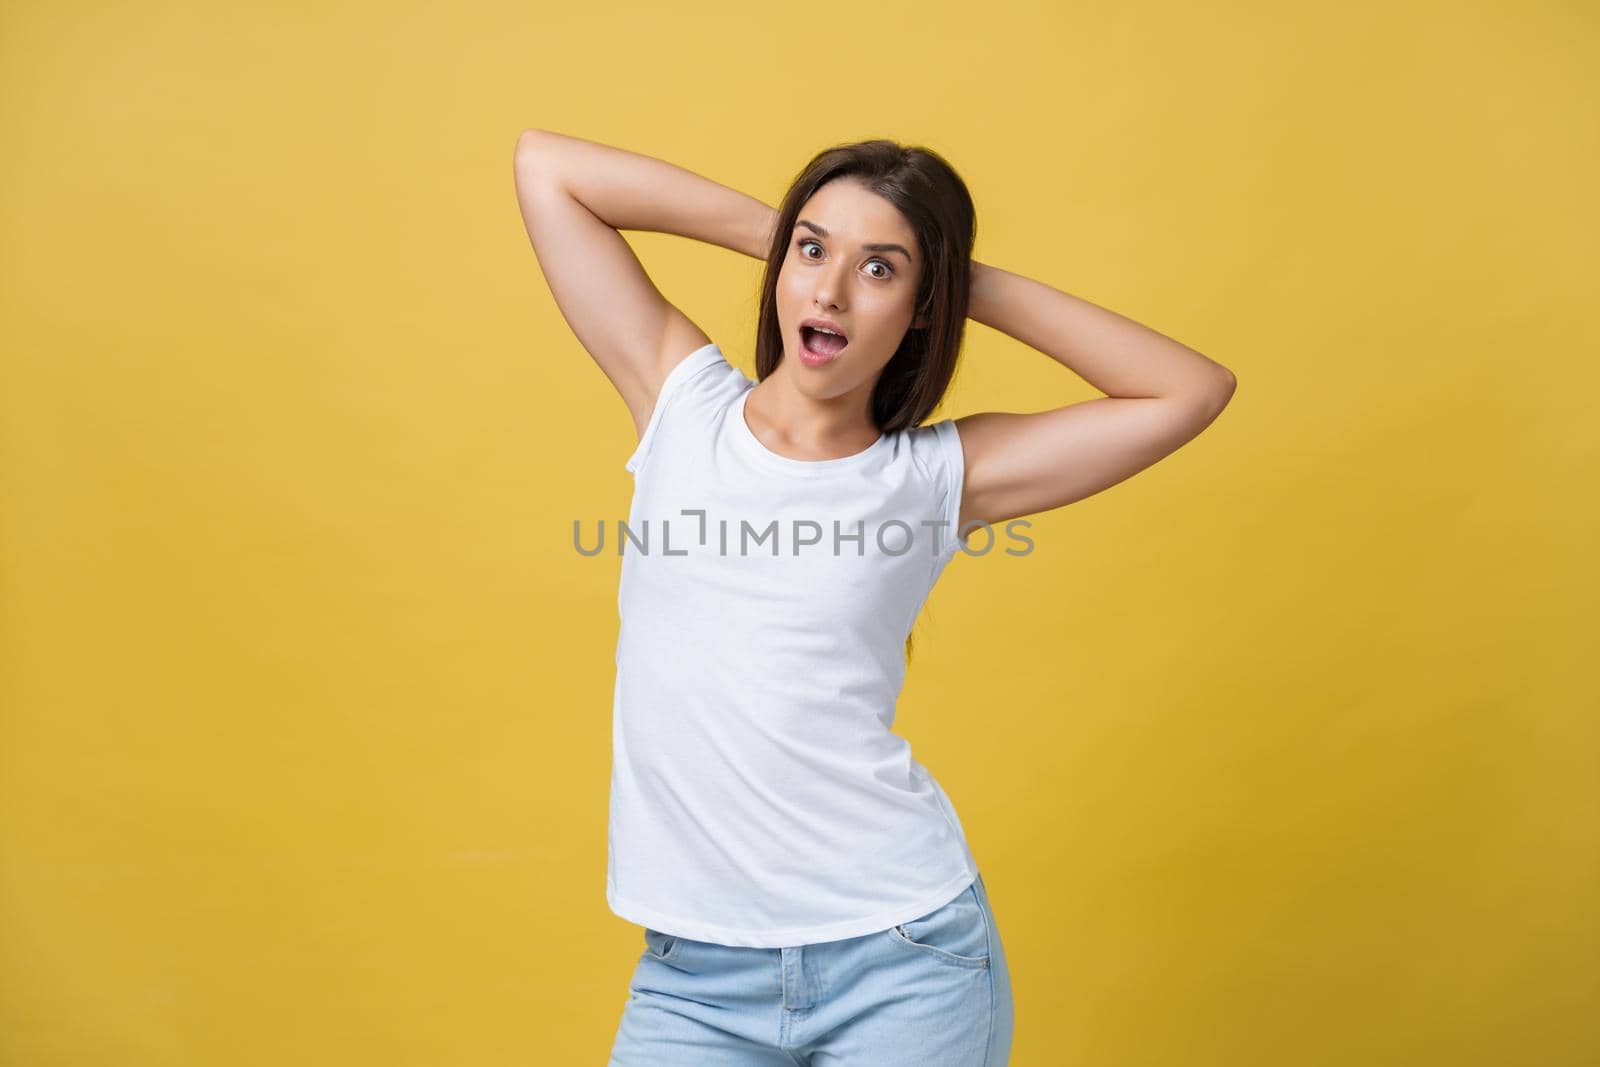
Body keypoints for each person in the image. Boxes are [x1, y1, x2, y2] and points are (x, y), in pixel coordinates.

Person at [513, 130, 1237, 1066]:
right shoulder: (677, 400)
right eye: (812, 253)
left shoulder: (936, 477)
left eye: (880, 271)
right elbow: (549, 170)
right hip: (693, 980)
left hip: (900, 962)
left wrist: (957, 281)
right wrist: (800, 240)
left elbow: (1189, 390)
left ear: (924, 309)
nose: (830, 291)